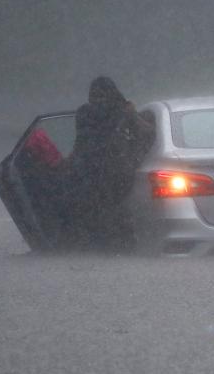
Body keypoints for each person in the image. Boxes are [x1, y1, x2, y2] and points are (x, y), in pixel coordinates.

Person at [65, 76, 155, 251]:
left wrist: (70, 163)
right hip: (106, 173)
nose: (98, 100)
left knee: (103, 212)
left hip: (99, 174)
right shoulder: (116, 111)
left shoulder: (89, 112)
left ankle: (105, 247)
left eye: (100, 95)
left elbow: (80, 143)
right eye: (95, 96)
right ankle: (115, 247)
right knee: (110, 212)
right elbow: (147, 133)